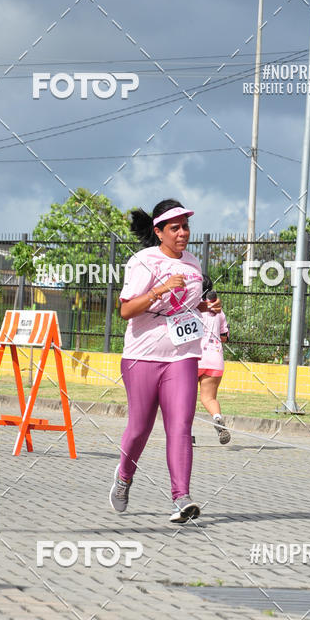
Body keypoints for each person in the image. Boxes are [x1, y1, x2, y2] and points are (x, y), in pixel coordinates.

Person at [109, 199, 221, 523]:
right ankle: (124, 477)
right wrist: (159, 289)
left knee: (181, 427)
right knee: (140, 428)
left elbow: (184, 307)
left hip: (182, 356)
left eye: (185, 226)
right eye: (175, 228)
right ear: (159, 232)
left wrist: (204, 309)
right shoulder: (143, 261)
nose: (183, 233)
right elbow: (126, 311)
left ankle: (181, 498)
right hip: (142, 356)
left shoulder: (194, 264)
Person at [197, 276, 231, 444]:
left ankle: (185, 435)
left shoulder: (192, 308)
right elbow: (224, 337)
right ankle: (217, 419)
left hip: (194, 358)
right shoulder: (219, 312)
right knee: (209, 398)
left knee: (185, 399)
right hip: (215, 358)